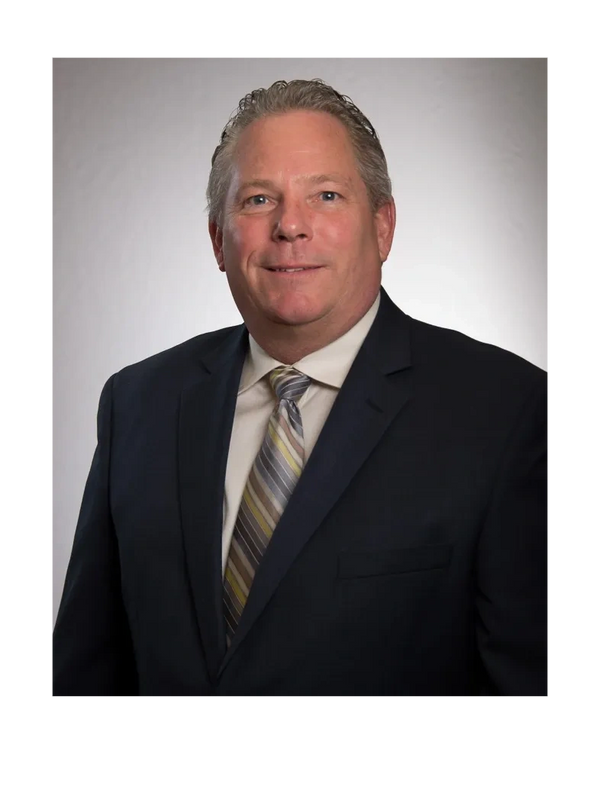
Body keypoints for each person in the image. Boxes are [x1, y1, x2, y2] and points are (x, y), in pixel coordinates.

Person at [49, 79, 551, 700]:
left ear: (383, 226)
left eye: (327, 195)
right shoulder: (137, 404)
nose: (290, 226)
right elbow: (84, 671)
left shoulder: (507, 413)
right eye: (259, 199)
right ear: (218, 240)